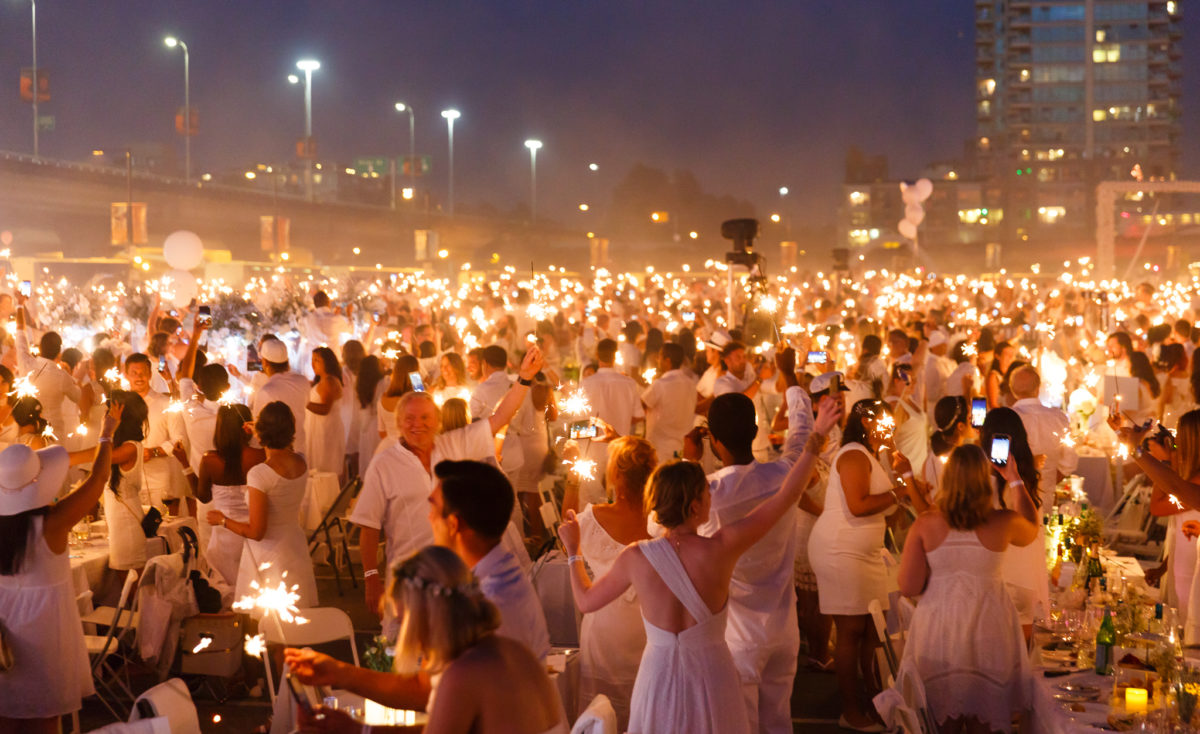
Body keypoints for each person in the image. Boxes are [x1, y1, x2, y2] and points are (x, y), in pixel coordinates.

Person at [557, 396, 841, 734]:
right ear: (695, 506)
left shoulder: (637, 556)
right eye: (706, 495)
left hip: (657, 674)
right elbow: (787, 495)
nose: (712, 498)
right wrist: (817, 434)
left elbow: (585, 600)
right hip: (712, 673)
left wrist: (574, 550)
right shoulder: (723, 547)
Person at [350, 346, 544, 633]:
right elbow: (368, 525)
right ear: (400, 424)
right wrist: (370, 578)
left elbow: (500, 418)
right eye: (410, 419)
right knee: (405, 658)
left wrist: (525, 378)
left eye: (425, 418)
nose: (418, 425)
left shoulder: (452, 445)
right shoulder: (384, 463)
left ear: (437, 421)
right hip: (406, 580)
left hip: (453, 579)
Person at [286, 546, 567, 734]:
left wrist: (356, 730)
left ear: (428, 614)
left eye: (404, 618)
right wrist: (340, 673)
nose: (400, 627)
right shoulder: (498, 649)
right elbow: (430, 705)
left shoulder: (466, 672)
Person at [681, 346, 815, 734]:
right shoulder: (784, 476)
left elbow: (669, 523)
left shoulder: (710, 494)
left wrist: (691, 462)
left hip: (737, 635)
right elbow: (803, 431)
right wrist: (789, 376)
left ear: (713, 441)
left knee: (741, 725)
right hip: (784, 626)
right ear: (757, 433)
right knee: (778, 720)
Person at [895, 444, 1036, 732]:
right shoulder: (1004, 521)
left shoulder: (925, 524)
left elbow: (907, 586)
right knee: (983, 722)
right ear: (985, 480)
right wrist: (1015, 480)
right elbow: (1032, 529)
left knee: (941, 720)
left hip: (939, 629)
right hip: (990, 629)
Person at [0, 404, 117, 732]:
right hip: (46, 639)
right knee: (45, 721)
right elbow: (98, 478)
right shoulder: (53, 523)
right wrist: (107, 433)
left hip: (4, 642)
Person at [809, 399, 916, 732]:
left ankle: (872, 694)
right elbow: (857, 506)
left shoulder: (872, 454)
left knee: (873, 627)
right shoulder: (854, 454)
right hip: (841, 551)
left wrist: (905, 487)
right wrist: (900, 491)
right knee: (851, 630)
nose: (891, 427)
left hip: (865, 554)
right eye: (885, 421)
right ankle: (850, 708)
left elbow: (883, 505)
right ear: (867, 422)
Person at [428, 460, 550, 659]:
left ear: (453, 524)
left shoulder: (486, 603)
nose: (429, 518)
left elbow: (436, 685)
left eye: (433, 509)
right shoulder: (498, 571)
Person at [575, 436, 657, 730]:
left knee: (602, 713)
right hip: (650, 628)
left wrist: (573, 480)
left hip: (604, 625)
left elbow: (566, 536)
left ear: (616, 475)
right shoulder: (662, 521)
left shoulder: (594, 518)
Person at [209, 401, 318, 608]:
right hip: (294, 545)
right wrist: (261, 430)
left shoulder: (260, 474)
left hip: (269, 554)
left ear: (261, 433)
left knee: (271, 623)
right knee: (296, 617)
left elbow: (256, 531)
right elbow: (285, 450)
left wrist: (222, 520)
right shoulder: (301, 461)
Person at [177, 404, 265, 586]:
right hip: (255, 531)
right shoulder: (260, 456)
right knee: (255, 587)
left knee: (226, 589)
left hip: (224, 535)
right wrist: (260, 433)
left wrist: (185, 463)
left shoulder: (210, 460)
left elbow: (203, 497)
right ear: (247, 427)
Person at [980, 407, 1044, 637]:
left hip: (999, 574)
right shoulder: (1026, 477)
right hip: (1024, 573)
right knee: (1021, 655)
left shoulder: (982, 482)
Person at [125, 353, 188, 512]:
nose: (139, 377)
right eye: (134, 373)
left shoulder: (165, 404)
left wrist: (153, 452)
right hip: (129, 481)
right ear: (126, 375)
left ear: (150, 374)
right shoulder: (120, 406)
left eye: (143, 373)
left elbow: (179, 439)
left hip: (160, 482)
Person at [1009, 366, 1078, 509]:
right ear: (1037, 389)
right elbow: (1069, 461)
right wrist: (1047, 480)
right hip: (1045, 494)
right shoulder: (1058, 417)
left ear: (1012, 389)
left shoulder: (1006, 417)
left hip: (1010, 494)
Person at [251, 339, 311, 454]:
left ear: (265, 362)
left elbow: (259, 430)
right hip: (300, 449)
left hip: (278, 454)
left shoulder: (266, 391)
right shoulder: (302, 381)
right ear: (286, 360)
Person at [642, 342, 698, 459]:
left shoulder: (660, 385)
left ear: (667, 361)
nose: (658, 360)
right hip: (682, 446)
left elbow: (641, 406)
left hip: (660, 448)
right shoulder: (691, 384)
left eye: (660, 357)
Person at [305, 346, 346, 476]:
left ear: (327, 362)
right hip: (319, 430)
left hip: (325, 432)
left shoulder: (329, 381)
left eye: (317, 360)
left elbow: (324, 409)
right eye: (312, 359)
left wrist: (303, 402)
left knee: (324, 470)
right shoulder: (322, 380)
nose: (312, 364)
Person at [469, 345, 512, 420]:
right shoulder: (515, 387)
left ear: (484, 364)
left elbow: (474, 422)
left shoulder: (480, 390)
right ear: (505, 365)